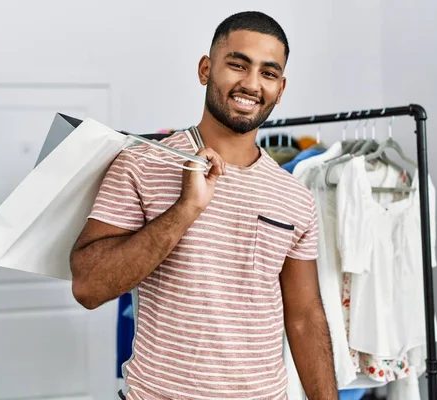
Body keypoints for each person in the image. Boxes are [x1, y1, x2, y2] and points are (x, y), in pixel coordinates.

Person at [70, 11, 338, 400]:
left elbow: (304, 316)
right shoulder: (142, 164)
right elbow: (88, 287)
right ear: (205, 69)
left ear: (280, 88)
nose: (251, 84)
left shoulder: (294, 195)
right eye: (237, 65)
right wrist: (185, 209)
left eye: (268, 72)